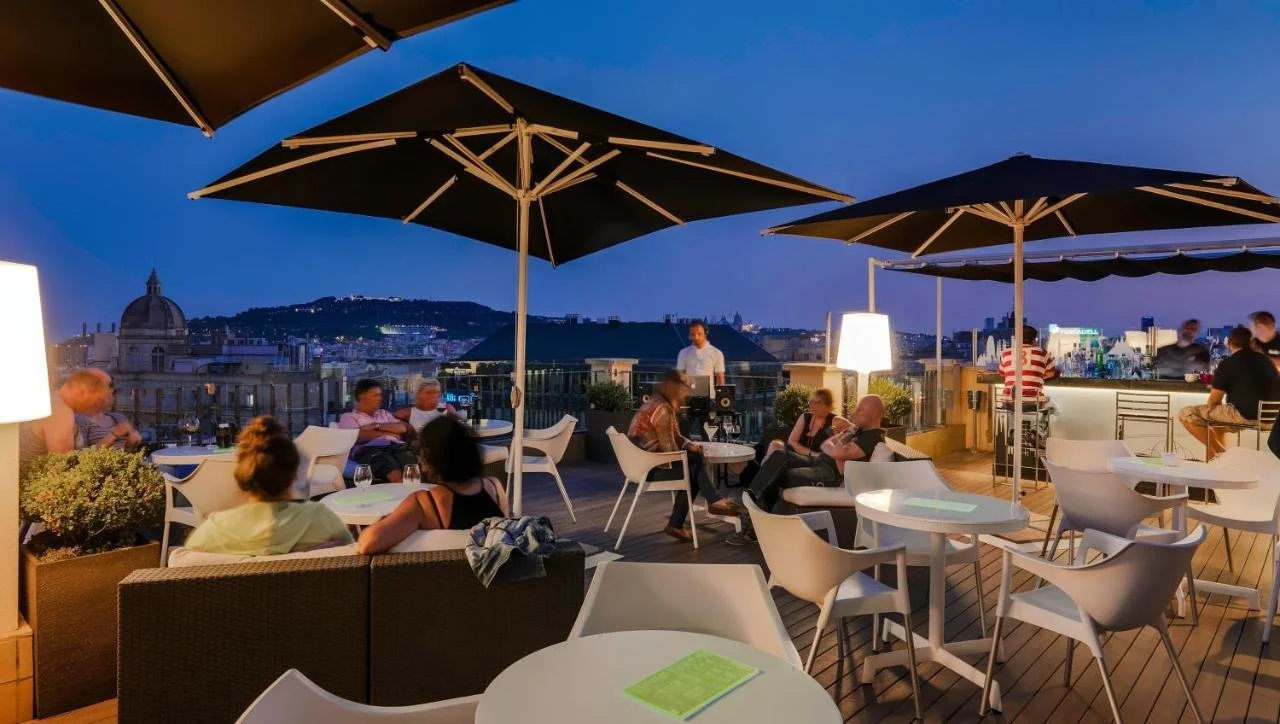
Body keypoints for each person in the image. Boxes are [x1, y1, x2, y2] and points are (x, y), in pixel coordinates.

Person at [185, 416, 353, 556]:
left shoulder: (213, 531)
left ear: (242, 476)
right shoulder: (321, 520)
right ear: (293, 476)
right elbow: (352, 556)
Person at [356, 416, 509, 554]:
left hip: (444, 580)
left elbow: (367, 544)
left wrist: (384, 520)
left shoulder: (426, 503)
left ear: (429, 457)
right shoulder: (494, 487)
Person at [628, 369, 742, 543]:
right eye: (686, 386)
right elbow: (670, 449)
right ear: (674, 387)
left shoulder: (658, 403)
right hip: (649, 469)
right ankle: (713, 502)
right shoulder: (662, 409)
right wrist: (693, 453)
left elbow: (676, 437)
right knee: (694, 466)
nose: (689, 391)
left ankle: (679, 522)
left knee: (694, 464)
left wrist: (691, 446)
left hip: (640, 463)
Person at [748, 395, 886, 514]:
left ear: (874, 413)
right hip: (817, 462)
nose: (855, 412)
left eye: (861, 409)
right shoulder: (857, 431)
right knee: (779, 454)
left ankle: (753, 509)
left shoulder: (873, 437)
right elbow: (825, 445)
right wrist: (837, 443)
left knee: (779, 474)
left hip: (829, 474)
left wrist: (837, 444)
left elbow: (838, 452)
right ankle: (753, 499)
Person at [1179, 326, 1280, 459]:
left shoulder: (1229, 363)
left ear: (1230, 343)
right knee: (1218, 421)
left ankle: (1223, 456)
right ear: (1252, 343)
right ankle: (1215, 463)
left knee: (1187, 414)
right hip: (1272, 419)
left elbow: (1214, 401)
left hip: (1244, 416)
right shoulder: (1267, 361)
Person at [19, 368, 128, 469]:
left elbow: (72, 458)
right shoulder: (60, 413)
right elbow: (64, 468)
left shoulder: (52, 402)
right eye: (98, 400)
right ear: (84, 391)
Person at [338, 379, 417, 483]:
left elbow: (403, 428)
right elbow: (357, 436)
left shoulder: (384, 414)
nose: (380, 399)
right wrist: (389, 432)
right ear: (362, 396)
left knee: (413, 469)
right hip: (371, 450)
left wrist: (376, 426)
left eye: (380, 395)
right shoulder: (348, 417)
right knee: (393, 472)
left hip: (398, 447)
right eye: (375, 395)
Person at [997, 325, 1056, 406]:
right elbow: (1051, 373)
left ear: (1016, 338)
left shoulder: (1005, 353)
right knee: (1054, 408)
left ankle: (1015, 419)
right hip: (1033, 402)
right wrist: (1036, 374)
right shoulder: (1042, 353)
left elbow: (1002, 373)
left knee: (1012, 410)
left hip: (1008, 401)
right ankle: (1039, 419)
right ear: (1034, 340)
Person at [676, 320, 726, 386]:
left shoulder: (716, 353)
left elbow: (720, 378)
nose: (696, 337)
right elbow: (679, 375)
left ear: (706, 334)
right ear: (690, 336)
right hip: (688, 393)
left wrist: (719, 395)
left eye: (699, 334)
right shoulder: (683, 353)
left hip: (709, 395)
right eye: (693, 334)